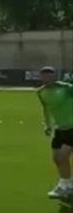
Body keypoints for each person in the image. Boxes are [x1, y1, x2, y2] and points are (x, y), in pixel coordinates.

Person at [37, 66, 73, 199]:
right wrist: (47, 125)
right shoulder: (41, 92)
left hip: (72, 127)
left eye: (49, 76)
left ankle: (64, 186)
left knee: (63, 157)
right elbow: (46, 109)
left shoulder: (67, 88)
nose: (46, 79)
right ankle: (68, 184)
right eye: (44, 76)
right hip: (59, 128)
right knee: (56, 158)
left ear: (54, 76)